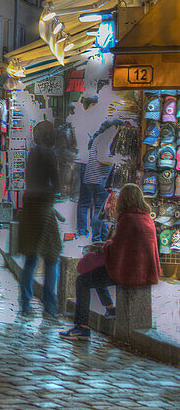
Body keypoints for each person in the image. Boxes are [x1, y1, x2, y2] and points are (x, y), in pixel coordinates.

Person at [61, 183, 160, 341]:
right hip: (143, 270)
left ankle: (82, 327)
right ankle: (110, 308)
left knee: (82, 281)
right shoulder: (145, 216)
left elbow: (116, 249)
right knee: (95, 273)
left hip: (131, 272)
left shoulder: (128, 218)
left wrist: (101, 247)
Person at [18, 121, 61, 320]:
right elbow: (56, 183)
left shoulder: (32, 153)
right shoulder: (49, 154)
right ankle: (50, 307)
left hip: (29, 207)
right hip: (43, 207)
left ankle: (26, 304)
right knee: (52, 258)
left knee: (30, 258)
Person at [76, 120, 122, 240]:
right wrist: (116, 160)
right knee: (100, 210)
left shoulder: (99, 137)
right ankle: (96, 238)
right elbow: (102, 158)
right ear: (114, 127)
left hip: (92, 178)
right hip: (98, 178)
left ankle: (102, 236)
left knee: (99, 209)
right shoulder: (107, 135)